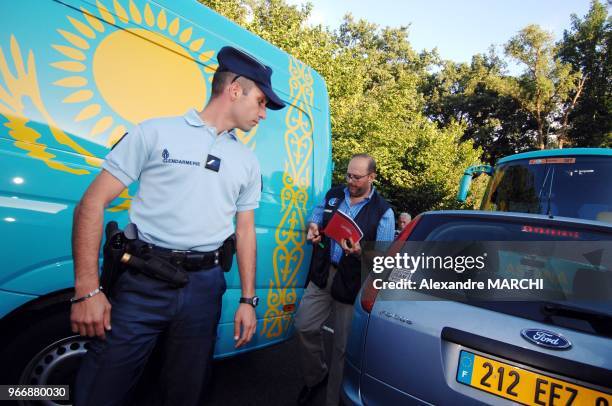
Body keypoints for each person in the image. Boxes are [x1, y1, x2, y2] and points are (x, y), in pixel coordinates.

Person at [70, 46, 285, 406]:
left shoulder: (247, 162)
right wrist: (87, 290)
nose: (263, 114)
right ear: (235, 89)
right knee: (100, 390)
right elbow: (91, 203)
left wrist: (248, 300)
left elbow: (244, 232)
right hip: (141, 282)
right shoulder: (155, 132)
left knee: (185, 393)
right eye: (261, 102)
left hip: (204, 288)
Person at [294, 154, 395, 406]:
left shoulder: (384, 212)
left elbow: (383, 256)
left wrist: (362, 252)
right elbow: (316, 215)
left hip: (353, 282)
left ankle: (332, 399)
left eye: (357, 177)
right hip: (323, 272)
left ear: (372, 177)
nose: (350, 180)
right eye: (348, 174)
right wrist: (313, 228)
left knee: (341, 347)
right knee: (304, 325)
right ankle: (316, 376)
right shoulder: (334, 195)